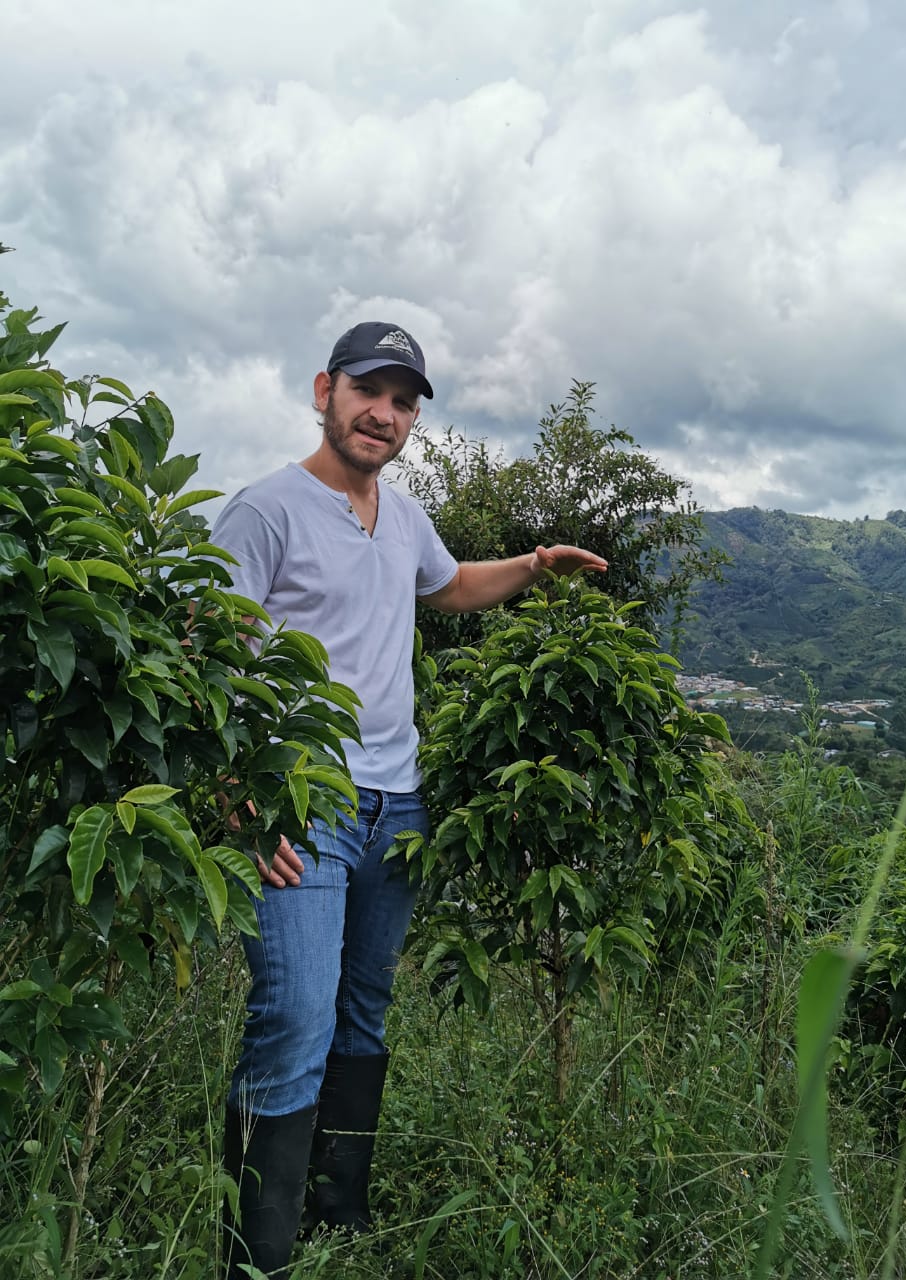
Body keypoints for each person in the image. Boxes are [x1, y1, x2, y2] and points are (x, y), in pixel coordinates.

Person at [212, 321, 607, 1278]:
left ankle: (337, 1215)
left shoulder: (404, 516)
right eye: (367, 391)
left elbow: (451, 586)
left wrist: (533, 565)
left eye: (402, 402)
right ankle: (255, 1256)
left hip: (398, 806)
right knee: (294, 1016)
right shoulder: (265, 511)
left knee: (363, 1011)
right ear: (325, 391)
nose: (383, 414)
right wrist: (236, 796)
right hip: (302, 805)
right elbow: (206, 654)